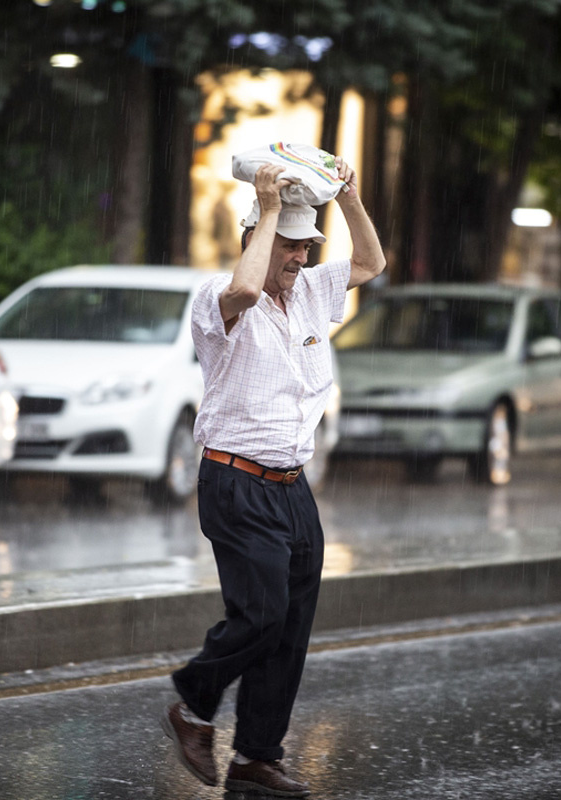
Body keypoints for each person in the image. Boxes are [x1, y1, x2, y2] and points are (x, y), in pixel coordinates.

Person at [160, 158, 385, 797]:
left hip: (293, 487)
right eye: (289, 244)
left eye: (306, 246)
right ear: (257, 239)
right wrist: (264, 207)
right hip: (236, 482)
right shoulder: (219, 298)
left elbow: (371, 264)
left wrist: (350, 197)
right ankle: (192, 705)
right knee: (261, 614)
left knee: (289, 630)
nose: (300, 257)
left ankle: (256, 757)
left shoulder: (313, 292)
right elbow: (243, 292)